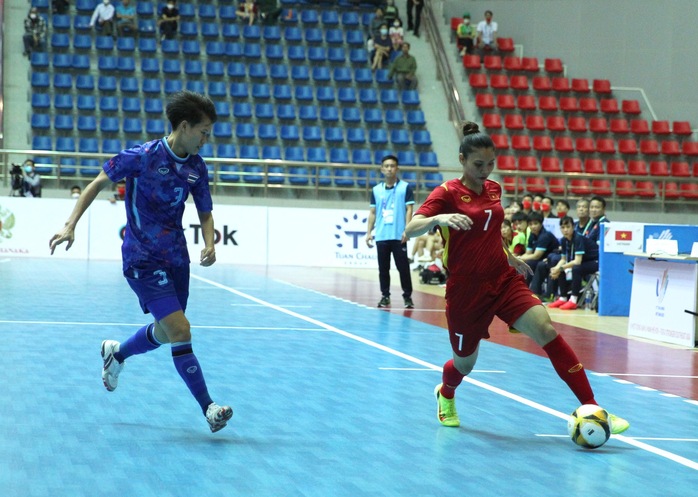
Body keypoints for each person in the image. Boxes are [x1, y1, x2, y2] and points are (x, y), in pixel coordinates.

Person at [403, 121, 629, 434]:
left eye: (490, 164)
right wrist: (439, 218)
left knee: (545, 328)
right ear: (462, 161)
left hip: (502, 279)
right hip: (466, 291)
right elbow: (410, 229)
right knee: (465, 364)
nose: (485, 171)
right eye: (478, 165)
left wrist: (509, 255)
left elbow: (492, 229)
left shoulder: (494, 189)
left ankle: (592, 406)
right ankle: (446, 393)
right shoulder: (446, 194)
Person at [49, 91, 233, 433]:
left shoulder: (196, 167)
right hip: (142, 258)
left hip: (176, 257)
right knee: (181, 329)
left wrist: (210, 243)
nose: (208, 139)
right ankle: (209, 408)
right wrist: (70, 223)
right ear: (184, 126)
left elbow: (205, 210)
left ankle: (117, 354)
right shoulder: (142, 156)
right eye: (204, 131)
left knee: (166, 332)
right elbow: (97, 182)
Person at [365, 154, 415, 309]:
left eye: (392, 166)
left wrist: (407, 230)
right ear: (382, 169)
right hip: (381, 235)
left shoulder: (405, 187)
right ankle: (385, 296)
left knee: (403, 268)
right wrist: (368, 233)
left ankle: (407, 297)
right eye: (386, 166)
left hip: (399, 235)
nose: (389, 169)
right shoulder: (376, 190)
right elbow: (372, 212)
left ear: (397, 168)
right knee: (383, 269)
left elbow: (409, 209)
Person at [548, 216, 600, 311]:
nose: (565, 230)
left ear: (573, 227)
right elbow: (563, 259)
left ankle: (573, 300)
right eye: (563, 227)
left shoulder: (578, 238)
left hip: (596, 261)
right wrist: (556, 268)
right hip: (584, 262)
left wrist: (560, 268)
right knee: (558, 264)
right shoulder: (563, 240)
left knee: (576, 268)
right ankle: (563, 297)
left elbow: (577, 261)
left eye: (568, 227)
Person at [520, 211, 560, 290]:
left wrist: (519, 258)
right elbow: (528, 253)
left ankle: (533, 291)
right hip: (540, 259)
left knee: (532, 264)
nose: (533, 226)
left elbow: (536, 256)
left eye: (535, 223)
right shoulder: (532, 235)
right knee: (522, 263)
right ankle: (520, 288)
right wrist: (519, 259)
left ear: (541, 223)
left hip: (551, 259)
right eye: (530, 224)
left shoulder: (545, 236)